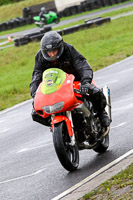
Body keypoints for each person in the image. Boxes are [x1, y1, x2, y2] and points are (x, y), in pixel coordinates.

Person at [30, 31, 110, 127]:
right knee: (35, 113)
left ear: (60, 47)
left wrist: (86, 83)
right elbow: (36, 75)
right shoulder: (40, 57)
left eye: (54, 51)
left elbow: (82, 65)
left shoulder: (69, 50)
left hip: (77, 82)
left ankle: (101, 114)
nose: (51, 54)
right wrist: (35, 93)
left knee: (95, 92)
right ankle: (54, 125)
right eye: (49, 52)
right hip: (56, 87)